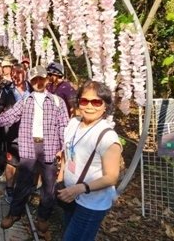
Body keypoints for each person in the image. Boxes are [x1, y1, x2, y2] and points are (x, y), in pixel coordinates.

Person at [0, 65, 70, 237]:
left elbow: (63, 125)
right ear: (30, 82)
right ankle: (14, 213)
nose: (38, 82)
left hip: (49, 146)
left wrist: (63, 148)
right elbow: (11, 116)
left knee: (49, 185)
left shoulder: (56, 101)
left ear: (47, 79)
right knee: (23, 181)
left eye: (41, 79)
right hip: (29, 146)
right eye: (34, 80)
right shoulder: (25, 100)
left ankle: (43, 217)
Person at [56, 80, 122, 241]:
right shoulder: (73, 124)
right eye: (84, 101)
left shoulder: (107, 136)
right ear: (78, 102)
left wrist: (80, 188)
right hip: (70, 195)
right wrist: (60, 179)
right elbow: (67, 152)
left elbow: (112, 177)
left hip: (91, 203)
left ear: (105, 105)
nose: (89, 106)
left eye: (96, 102)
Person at [3, 66, 32, 203]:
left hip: (31, 132)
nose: (16, 76)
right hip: (13, 131)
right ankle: (9, 188)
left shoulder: (33, 88)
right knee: (12, 162)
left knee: (29, 162)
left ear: (25, 74)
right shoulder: (7, 89)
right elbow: (0, 104)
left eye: (19, 73)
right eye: (13, 74)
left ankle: (26, 189)